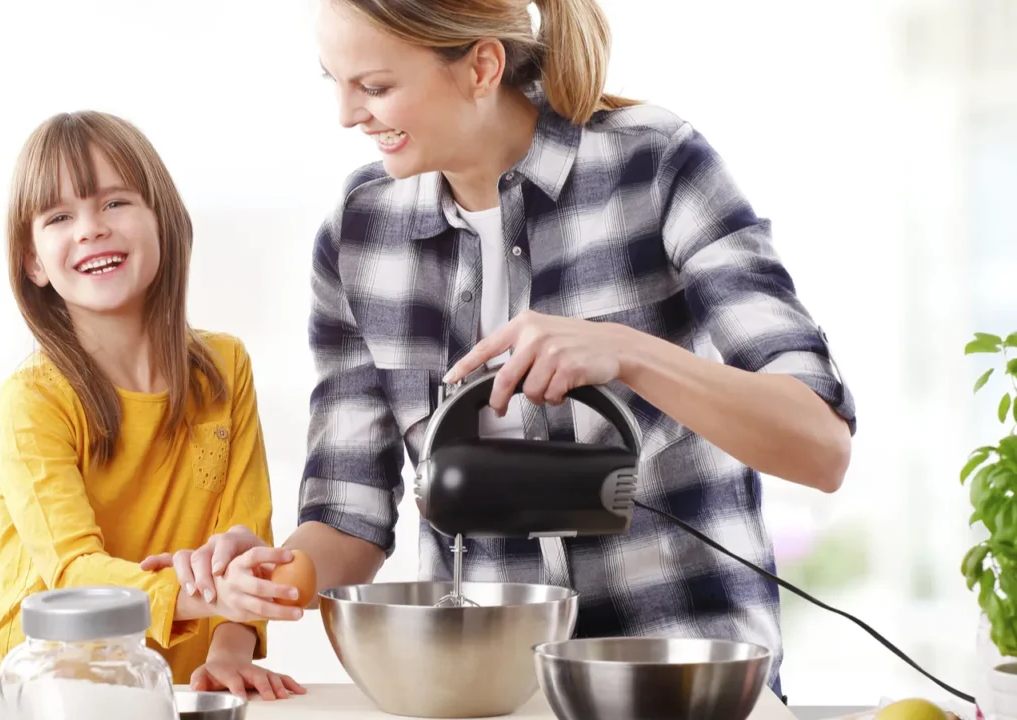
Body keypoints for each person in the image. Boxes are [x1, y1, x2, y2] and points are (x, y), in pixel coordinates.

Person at [142, 0, 856, 698]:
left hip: (677, 681)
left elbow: (819, 446)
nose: (347, 116)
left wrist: (625, 352)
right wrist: (269, 571)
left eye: (378, 86)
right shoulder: (359, 234)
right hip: (482, 691)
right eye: (336, 83)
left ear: (481, 66)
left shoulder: (653, 164)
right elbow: (348, 514)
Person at [0, 110, 305, 702]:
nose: (90, 229)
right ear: (33, 262)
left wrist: (227, 652)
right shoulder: (33, 400)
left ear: (161, 220)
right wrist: (212, 595)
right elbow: (72, 576)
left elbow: (246, 541)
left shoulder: (225, 370)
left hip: (173, 692)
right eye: (60, 216)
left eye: (115, 203)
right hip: (39, 694)